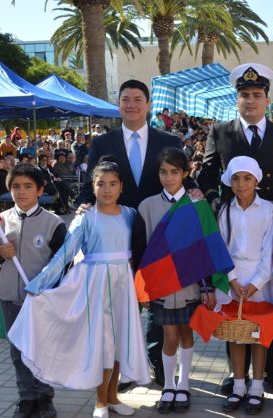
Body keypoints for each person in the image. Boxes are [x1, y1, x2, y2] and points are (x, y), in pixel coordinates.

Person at [8, 160, 150, 418]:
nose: (107, 190)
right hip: (96, 285)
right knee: (104, 343)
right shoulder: (86, 217)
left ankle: (113, 397)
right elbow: (65, 254)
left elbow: (140, 248)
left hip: (124, 284)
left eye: (113, 184)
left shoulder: (130, 214)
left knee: (120, 341)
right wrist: (40, 284)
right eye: (101, 184)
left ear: (121, 187)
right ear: (92, 187)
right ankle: (100, 399)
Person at [198, 62, 273, 395]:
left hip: (271, 227)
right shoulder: (220, 132)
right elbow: (206, 174)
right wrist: (215, 199)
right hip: (235, 224)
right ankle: (238, 375)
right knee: (235, 309)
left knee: (269, 306)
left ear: (267, 100)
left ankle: (272, 372)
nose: (250, 101)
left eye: (256, 95)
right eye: (244, 95)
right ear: (237, 99)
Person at [78, 79, 185, 390]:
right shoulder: (102, 143)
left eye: (138, 99)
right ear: (119, 104)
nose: (132, 104)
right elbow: (90, 186)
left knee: (160, 302)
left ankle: (158, 365)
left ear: (148, 104)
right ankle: (121, 371)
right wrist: (84, 206)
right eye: (125, 99)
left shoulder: (170, 141)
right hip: (117, 237)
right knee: (120, 306)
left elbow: (179, 181)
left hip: (159, 234)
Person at [0, 164, 66, 418]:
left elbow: (63, 264)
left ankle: (44, 397)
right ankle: (26, 397)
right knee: (18, 352)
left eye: (28, 186)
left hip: (40, 300)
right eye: (16, 186)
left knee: (40, 350)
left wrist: (45, 285)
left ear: (40, 190)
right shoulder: (0, 221)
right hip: (10, 299)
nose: (21, 192)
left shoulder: (54, 224)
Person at [138, 148, 216, 414]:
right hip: (160, 285)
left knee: (186, 333)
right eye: (163, 172)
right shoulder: (147, 206)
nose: (168, 178)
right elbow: (142, 251)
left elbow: (206, 248)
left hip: (189, 284)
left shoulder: (197, 204)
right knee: (168, 335)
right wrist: (144, 288)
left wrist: (207, 286)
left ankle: (184, 384)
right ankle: (168, 385)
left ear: (185, 173)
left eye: (174, 172)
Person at [217, 156, 273, 415]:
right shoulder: (224, 210)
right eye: (236, 179)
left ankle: (257, 386)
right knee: (236, 334)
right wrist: (231, 279)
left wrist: (254, 284)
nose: (241, 184)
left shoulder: (267, 210)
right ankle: (238, 384)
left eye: (247, 178)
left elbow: (270, 250)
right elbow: (220, 247)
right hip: (232, 277)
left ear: (256, 181)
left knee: (257, 334)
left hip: (260, 279)